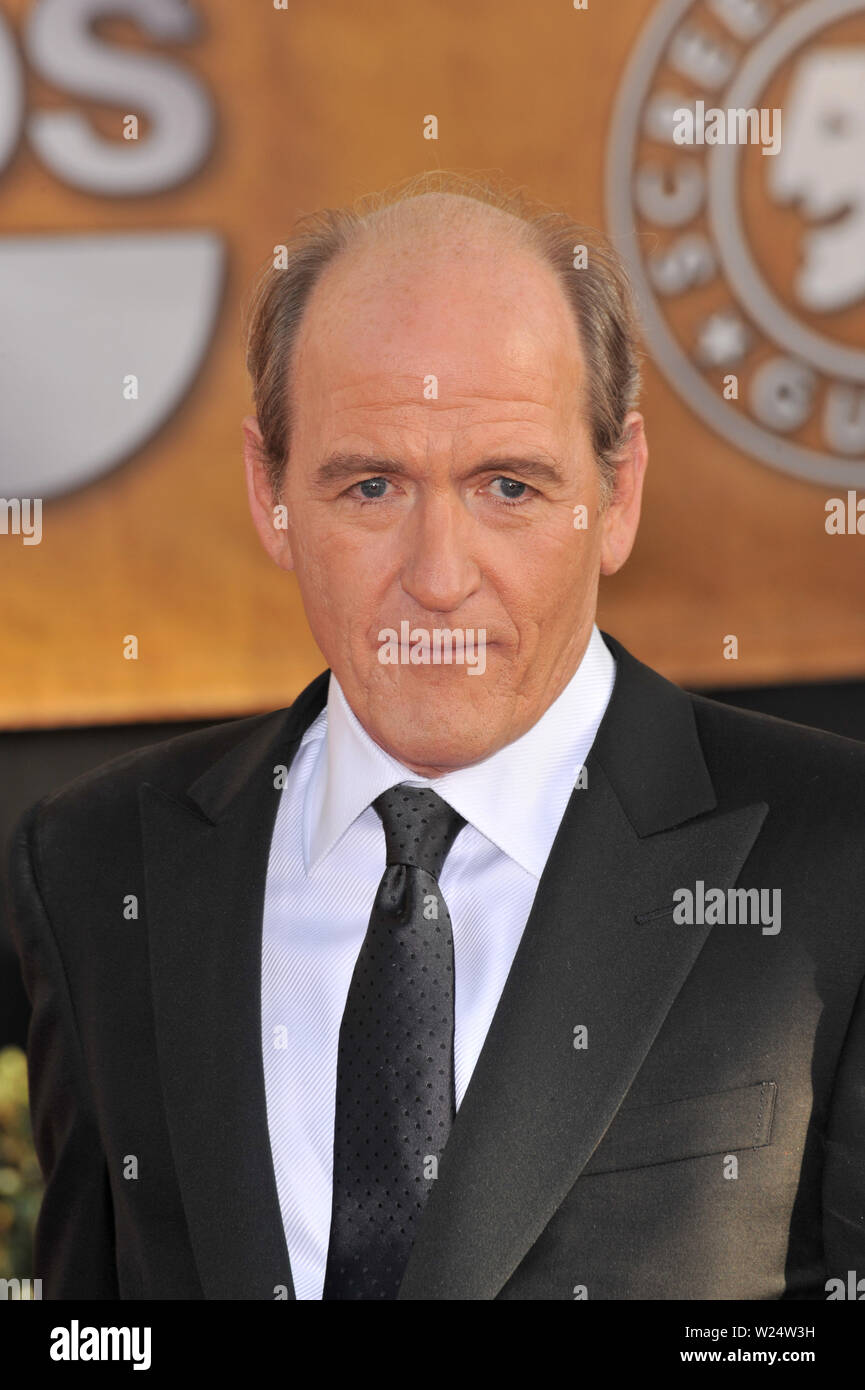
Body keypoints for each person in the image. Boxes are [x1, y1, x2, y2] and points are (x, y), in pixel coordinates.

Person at [9, 173, 865, 1300]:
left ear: (616, 493)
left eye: (507, 485)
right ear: (270, 493)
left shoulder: (831, 857)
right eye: (371, 486)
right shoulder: (98, 866)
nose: (437, 577)